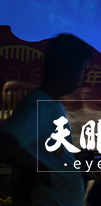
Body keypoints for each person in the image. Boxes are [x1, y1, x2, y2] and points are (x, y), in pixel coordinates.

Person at [0, 33, 93, 206]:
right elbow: (4, 145)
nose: (81, 77)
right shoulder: (38, 105)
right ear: (61, 67)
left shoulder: (53, 104)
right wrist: (38, 167)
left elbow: (49, 154)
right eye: (79, 69)